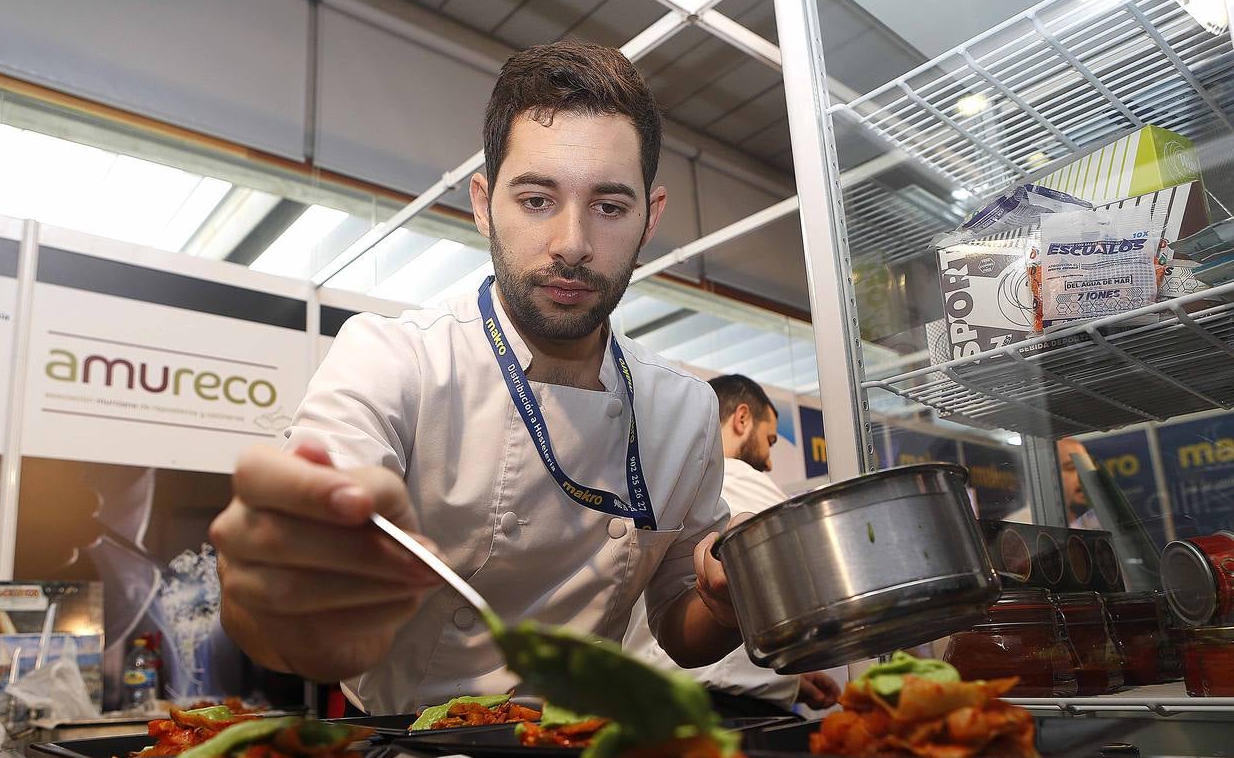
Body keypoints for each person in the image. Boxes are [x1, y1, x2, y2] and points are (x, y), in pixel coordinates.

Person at [208, 42, 744, 714]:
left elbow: (680, 622)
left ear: (650, 218)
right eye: (537, 200)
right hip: (405, 751)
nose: (573, 243)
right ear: (485, 204)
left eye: (609, 207)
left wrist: (725, 603)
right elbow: (284, 593)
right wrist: (274, 586)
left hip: (583, 747)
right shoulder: (394, 359)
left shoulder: (684, 408)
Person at [623, 374, 840, 713]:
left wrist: (794, 684)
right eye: (769, 440)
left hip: (644, 700)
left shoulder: (653, 488)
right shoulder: (752, 485)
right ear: (741, 419)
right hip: (724, 706)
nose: (769, 461)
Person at [1004, 436, 1101, 529]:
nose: (1083, 476)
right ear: (1044, 476)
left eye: (1085, 467)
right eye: (1070, 467)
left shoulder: (1092, 522)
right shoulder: (1020, 528)